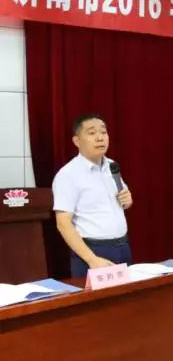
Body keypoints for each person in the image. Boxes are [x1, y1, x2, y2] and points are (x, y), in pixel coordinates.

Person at [52, 114, 134, 277]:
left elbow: (122, 202)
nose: (100, 138)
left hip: (123, 247)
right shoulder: (68, 175)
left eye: (103, 132)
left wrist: (128, 200)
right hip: (93, 252)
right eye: (92, 133)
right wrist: (92, 259)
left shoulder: (112, 166)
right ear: (77, 141)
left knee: (128, 294)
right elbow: (63, 224)